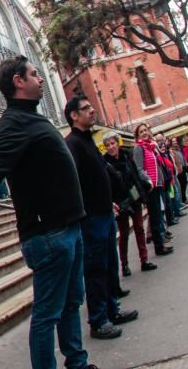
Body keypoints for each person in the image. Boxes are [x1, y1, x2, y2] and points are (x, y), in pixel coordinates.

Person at [0, 56, 97, 369]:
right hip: (48, 235)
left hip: (69, 227)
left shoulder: (32, 117)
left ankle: (77, 362)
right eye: (34, 74)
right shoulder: (14, 122)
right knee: (48, 314)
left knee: (71, 302)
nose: (41, 78)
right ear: (19, 81)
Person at [63, 96, 137, 340]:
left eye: (91, 107)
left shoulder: (88, 140)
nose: (92, 110)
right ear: (74, 115)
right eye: (86, 108)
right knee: (95, 268)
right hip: (91, 218)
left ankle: (111, 310)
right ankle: (98, 320)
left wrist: (110, 203)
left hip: (104, 213)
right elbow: (73, 182)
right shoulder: (72, 143)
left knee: (108, 265)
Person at [101, 132, 156, 277]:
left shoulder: (127, 155)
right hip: (120, 202)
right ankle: (124, 264)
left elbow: (135, 176)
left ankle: (144, 261)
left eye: (112, 143)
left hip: (134, 197)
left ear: (117, 143)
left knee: (139, 229)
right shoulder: (105, 162)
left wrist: (142, 191)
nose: (111, 147)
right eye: (108, 145)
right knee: (124, 233)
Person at [133, 124, 174, 256]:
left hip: (158, 186)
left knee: (159, 215)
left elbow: (158, 165)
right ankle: (159, 247)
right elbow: (138, 169)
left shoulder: (150, 147)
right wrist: (148, 181)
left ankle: (161, 242)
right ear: (138, 135)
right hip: (150, 188)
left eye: (146, 130)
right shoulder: (139, 148)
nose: (144, 133)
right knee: (155, 217)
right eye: (141, 132)